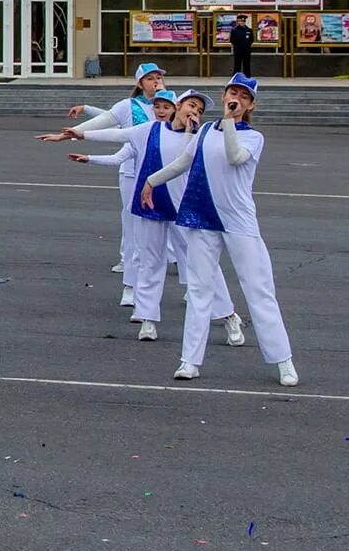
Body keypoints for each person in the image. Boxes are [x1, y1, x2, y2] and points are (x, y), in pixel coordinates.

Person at [57, 89, 245, 348]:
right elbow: (118, 133)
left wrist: (192, 131)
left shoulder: (201, 135)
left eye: (199, 110)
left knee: (203, 264)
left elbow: (186, 160)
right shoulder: (148, 130)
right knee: (150, 261)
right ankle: (147, 319)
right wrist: (80, 134)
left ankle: (228, 316)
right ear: (178, 106)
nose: (194, 112)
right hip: (150, 205)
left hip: (184, 210)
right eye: (191, 105)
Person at [142, 74, 298, 386]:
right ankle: (189, 361)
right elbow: (182, 163)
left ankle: (283, 361)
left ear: (250, 104)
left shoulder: (253, 137)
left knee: (259, 289)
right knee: (200, 290)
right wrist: (151, 181)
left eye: (242, 96)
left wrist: (228, 120)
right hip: (201, 218)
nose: (236, 98)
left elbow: (234, 156)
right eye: (232, 92)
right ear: (224, 93)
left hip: (238, 222)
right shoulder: (203, 133)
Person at [64, 62, 167, 304]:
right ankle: (130, 286)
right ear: (140, 83)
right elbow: (107, 122)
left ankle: (188, 283)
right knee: (133, 229)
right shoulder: (128, 106)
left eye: (159, 78)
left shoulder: (170, 106)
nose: (156, 82)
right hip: (132, 172)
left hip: (164, 176)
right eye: (151, 78)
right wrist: (68, 134)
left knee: (175, 232)